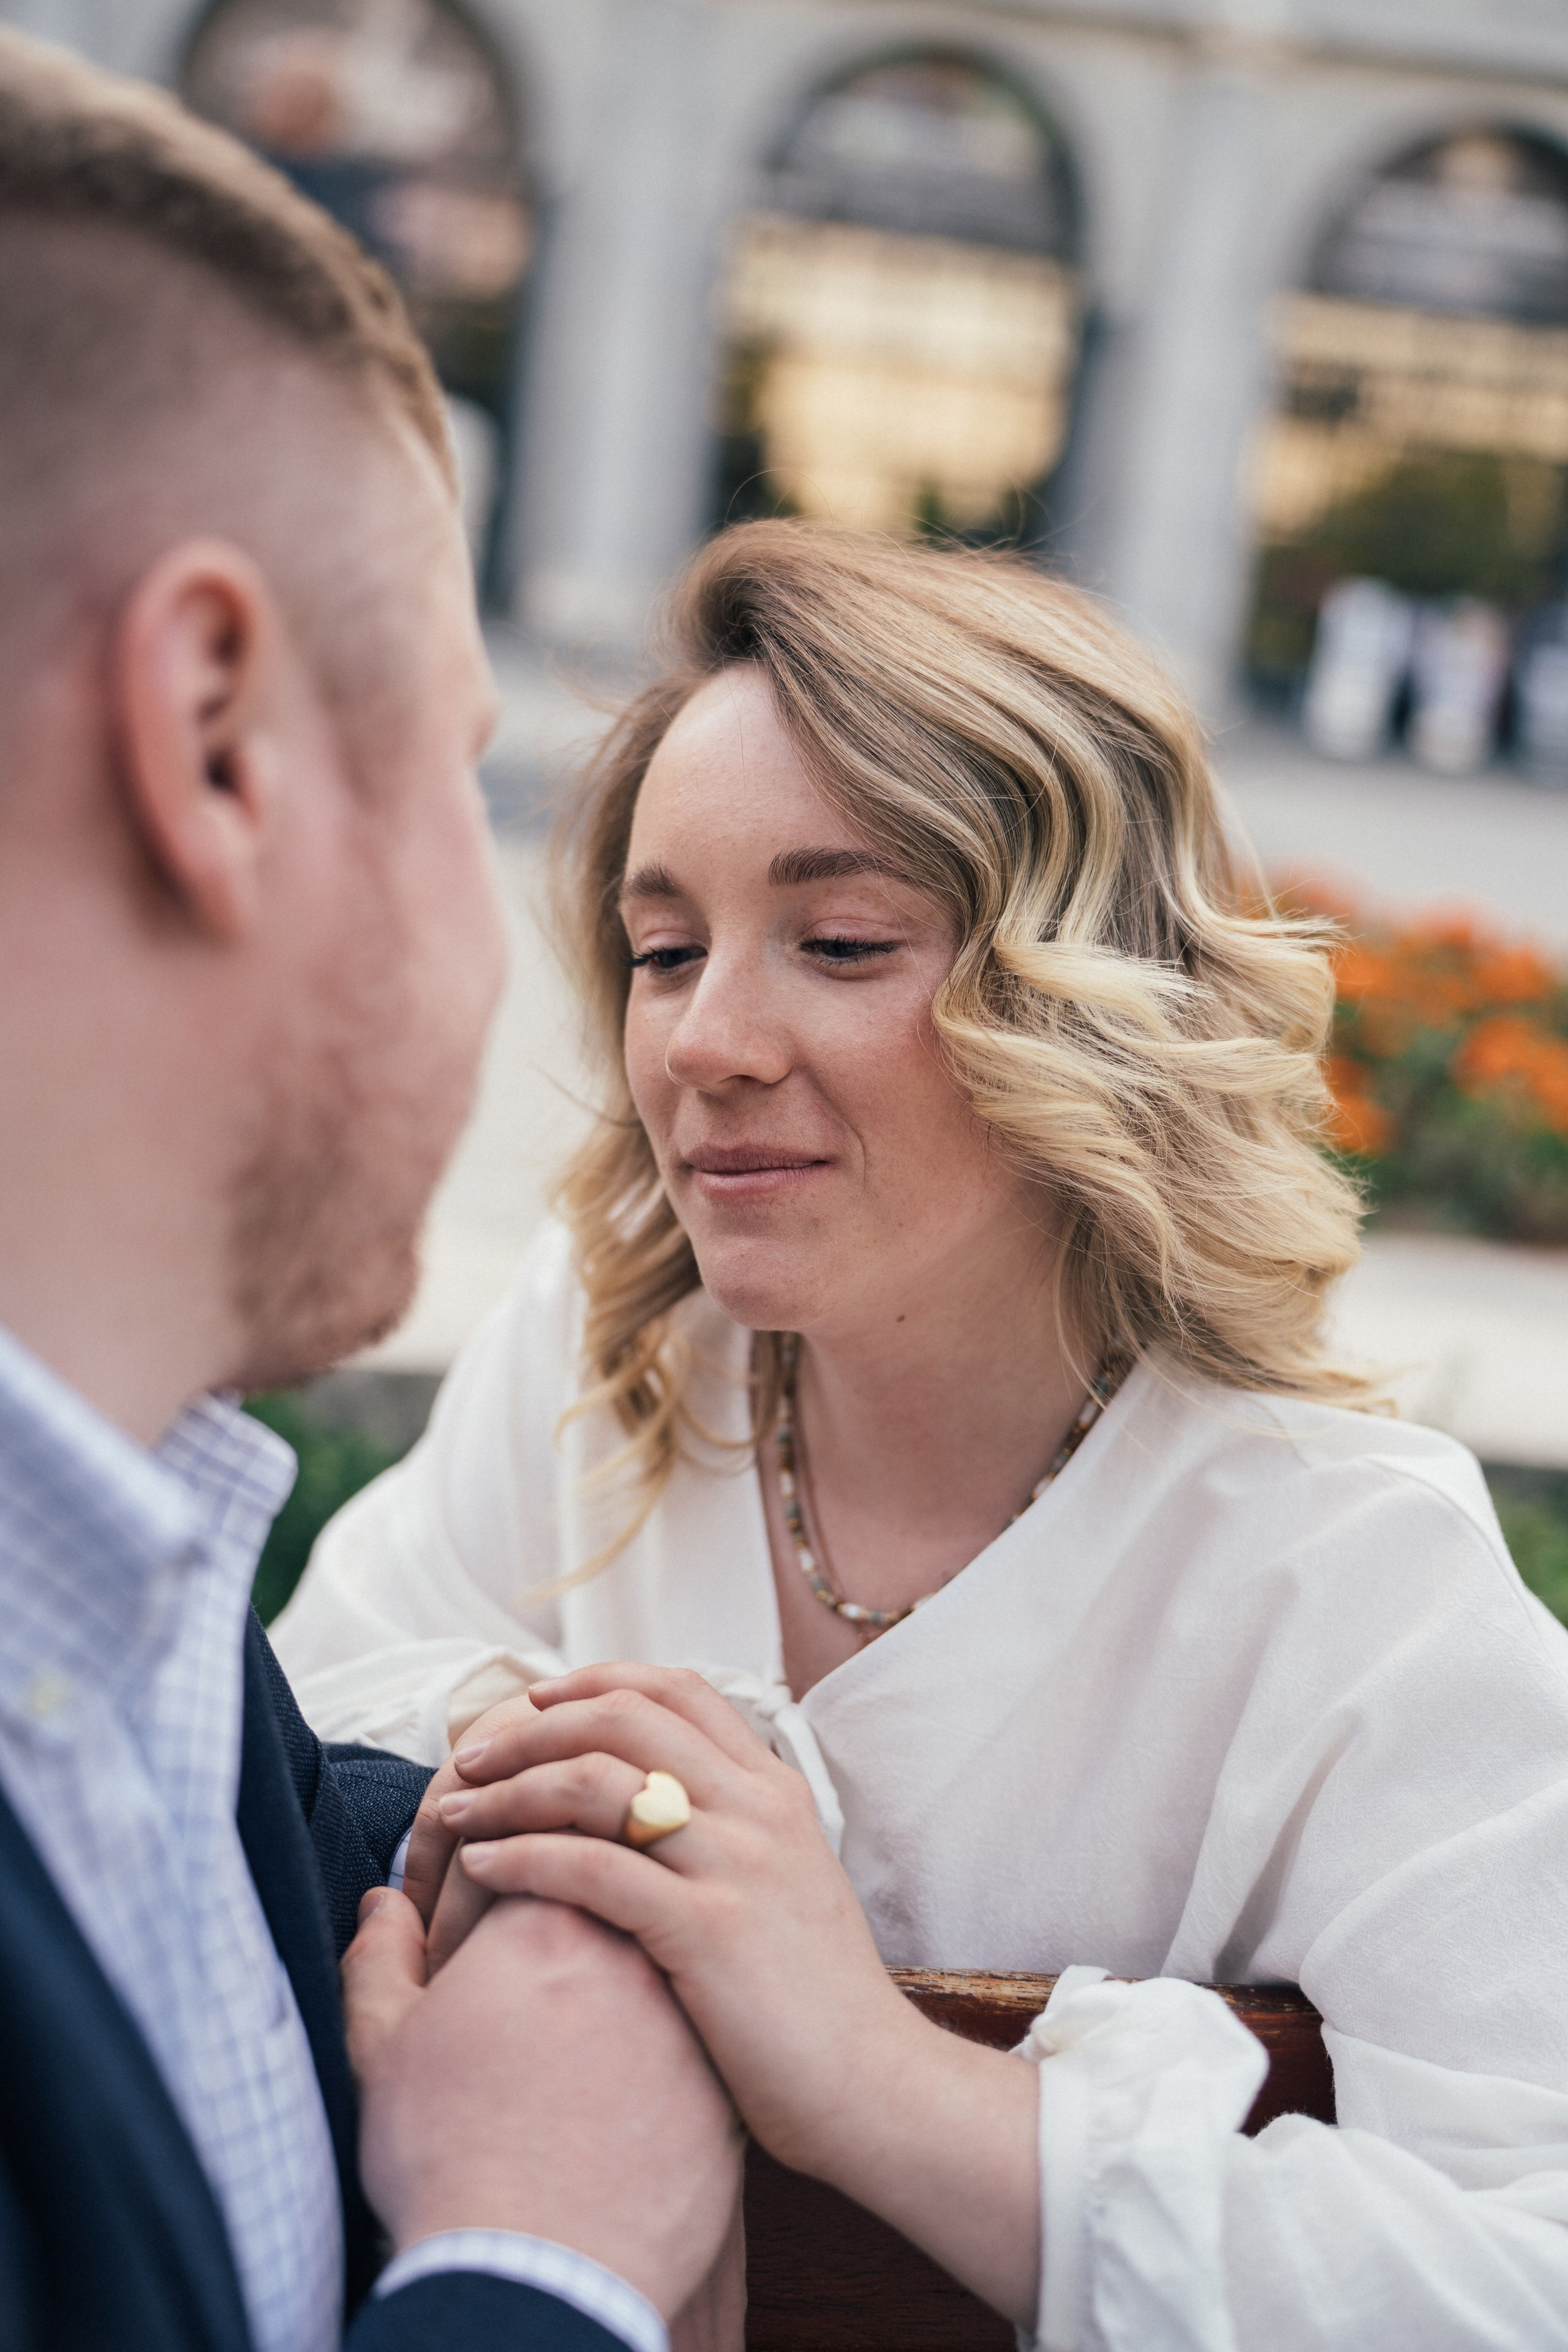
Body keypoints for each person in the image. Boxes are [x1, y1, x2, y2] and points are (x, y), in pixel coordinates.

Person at [278, 522, 1568, 2347]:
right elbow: (275, 1765)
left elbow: (1529, 2276)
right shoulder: (593, 1363)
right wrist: (597, 1783)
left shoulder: (1357, 1581)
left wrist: (876, 2076)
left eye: (841, 941)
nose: (706, 1041)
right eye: (664, 949)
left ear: (1088, 993)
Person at [0, 31, 741, 2352]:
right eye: (460, 773)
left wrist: (537, 1828)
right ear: (217, 740)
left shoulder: (111, 1575)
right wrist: (540, 2268)